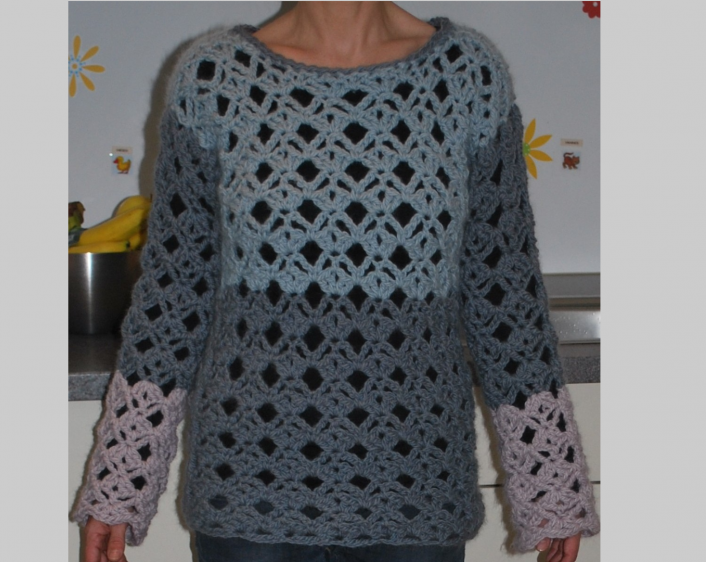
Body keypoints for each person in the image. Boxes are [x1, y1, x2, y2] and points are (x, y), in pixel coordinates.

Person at [72, 3, 600, 562]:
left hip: (414, 489)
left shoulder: (467, 77)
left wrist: (551, 476)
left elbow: (505, 296)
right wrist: (120, 478)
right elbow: (175, 295)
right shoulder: (215, 79)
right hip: (251, 489)